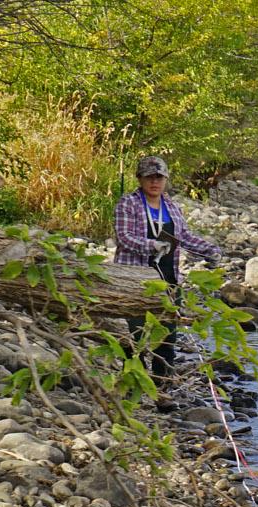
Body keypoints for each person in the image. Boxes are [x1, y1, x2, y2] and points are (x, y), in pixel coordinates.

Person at [111, 156, 220, 379]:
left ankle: (163, 387)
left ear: (166, 179)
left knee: (167, 338)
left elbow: (185, 237)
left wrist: (210, 250)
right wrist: (152, 245)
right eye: (150, 177)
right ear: (140, 179)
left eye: (159, 177)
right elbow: (124, 238)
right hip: (136, 281)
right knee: (135, 337)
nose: (155, 182)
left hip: (168, 281)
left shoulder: (171, 206)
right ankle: (134, 386)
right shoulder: (128, 203)